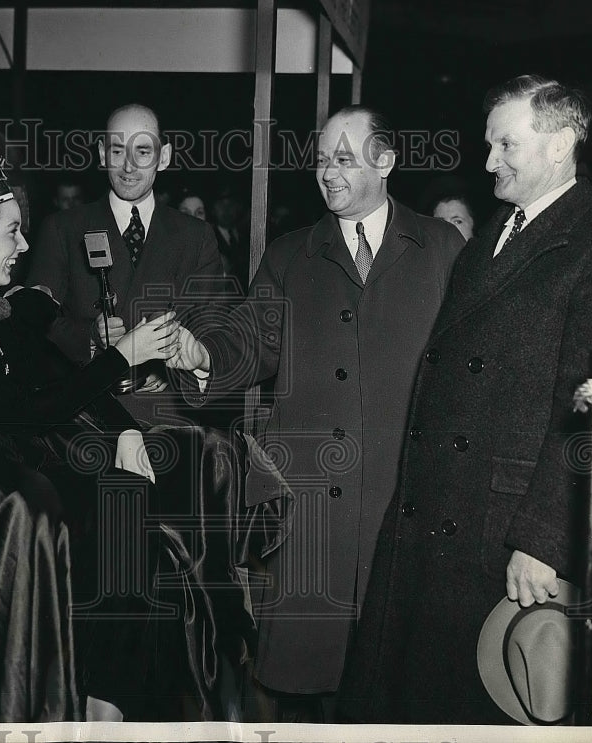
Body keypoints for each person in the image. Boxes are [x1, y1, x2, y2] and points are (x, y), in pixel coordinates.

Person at [0, 136, 281, 723]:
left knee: (151, 482)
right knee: (115, 500)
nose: (23, 244)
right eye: (10, 231)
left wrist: (123, 432)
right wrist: (123, 355)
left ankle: (127, 690)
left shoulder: (3, 310)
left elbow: (56, 378)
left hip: (22, 447)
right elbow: (22, 411)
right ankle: (99, 696)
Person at [338, 75, 592, 724]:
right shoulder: (492, 234)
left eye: (505, 145)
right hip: (438, 512)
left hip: (503, 532)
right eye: (488, 145)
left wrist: (544, 538)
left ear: (561, 143)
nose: (488, 163)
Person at [167, 105, 465, 721]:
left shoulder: (441, 249)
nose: (328, 172)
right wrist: (204, 356)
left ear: (386, 162)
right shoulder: (289, 255)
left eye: (345, 158)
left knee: (401, 680)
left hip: (402, 499)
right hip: (311, 508)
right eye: (322, 159)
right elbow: (251, 340)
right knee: (315, 689)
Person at [25, 104, 222, 426]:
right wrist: (90, 336)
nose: (128, 166)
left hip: (168, 420)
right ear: (102, 154)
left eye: (142, 151)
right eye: (118, 150)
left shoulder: (196, 236)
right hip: (85, 416)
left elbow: (212, 330)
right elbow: (35, 327)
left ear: (165, 156)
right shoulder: (62, 229)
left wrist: (166, 364)